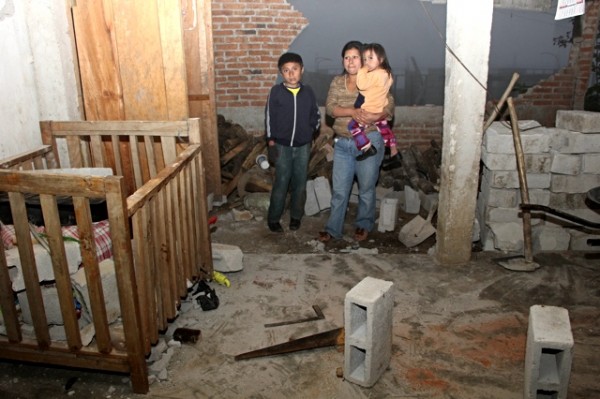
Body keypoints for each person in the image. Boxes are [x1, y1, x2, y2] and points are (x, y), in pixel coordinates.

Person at [318, 41, 395, 243]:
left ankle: (364, 224)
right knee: (340, 191)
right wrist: (352, 111)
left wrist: (376, 115)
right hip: (343, 144)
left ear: (362, 60)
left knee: (366, 188)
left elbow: (389, 105)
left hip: (369, 140)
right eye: (346, 57)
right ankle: (333, 228)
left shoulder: (374, 78)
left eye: (355, 57)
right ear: (342, 60)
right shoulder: (337, 82)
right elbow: (330, 108)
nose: (350, 61)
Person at [265, 52, 321, 233]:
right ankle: (273, 218)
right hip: (282, 146)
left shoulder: (309, 92)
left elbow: (316, 115)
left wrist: (311, 131)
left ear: (302, 70)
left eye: (294, 69)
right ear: (281, 73)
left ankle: (296, 217)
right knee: (281, 181)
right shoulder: (276, 92)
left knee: (300, 183)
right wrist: (271, 142)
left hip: (303, 146)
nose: (291, 74)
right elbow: (268, 117)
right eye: (286, 70)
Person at [348, 43, 402, 170]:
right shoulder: (387, 74)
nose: (367, 62)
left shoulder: (374, 74)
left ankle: (366, 147)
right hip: (379, 109)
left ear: (381, 59)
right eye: (365, 59)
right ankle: (394, 152)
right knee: (384, 128)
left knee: (352, 126)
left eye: (370, 58)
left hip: (369, 110)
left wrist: (362, 69)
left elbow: (361, 84)